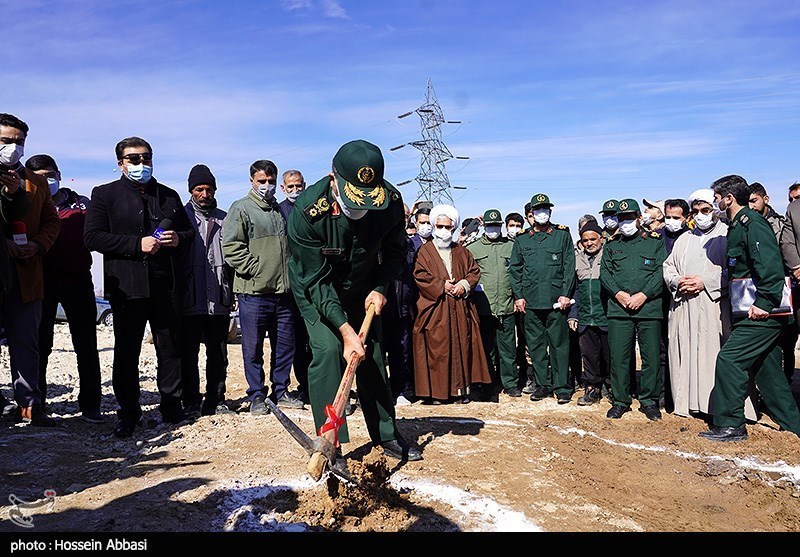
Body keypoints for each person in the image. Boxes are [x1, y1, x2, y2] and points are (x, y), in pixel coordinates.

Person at [287, 139, 421, 461]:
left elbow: (394, 253)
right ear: (334, 178)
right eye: (353, 200)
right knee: (329, 351)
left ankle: (386, 434)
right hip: (315, 287)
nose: (360, 209)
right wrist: (346, 331)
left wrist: (381, 286)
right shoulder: (307, 213)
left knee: (371, 355)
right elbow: (315, 280)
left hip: (362, 286)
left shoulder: (388, 202)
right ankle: (330, 442)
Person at [84, 136, 193, 437]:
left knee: (170, 349)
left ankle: (172, 406)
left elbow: (188, 234)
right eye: (134, 159)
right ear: (120, 163)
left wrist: (178, 239)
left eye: (146, 157)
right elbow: (92, 237)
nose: (141, 163)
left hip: (165, 287)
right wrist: (135, 244)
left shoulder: (169, 196)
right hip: (127, 289)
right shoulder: (104, 195)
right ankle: (128, 413)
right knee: (127, 352)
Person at [699, 175, 800, 442]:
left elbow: (770, 267)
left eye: (717, 198)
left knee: (729, 360)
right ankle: (794, 425)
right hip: (748, 309)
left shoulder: (752, 224)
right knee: (767, 371)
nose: (716, 203)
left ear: (729, 198)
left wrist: (764, 304)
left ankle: (731, 425)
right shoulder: (737, 225)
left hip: (761, 312)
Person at [663, 189, 758, 420]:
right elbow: (668, 267)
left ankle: (718, 406)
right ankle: (688, 404)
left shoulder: (727, 234)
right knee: (684, 351)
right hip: (684, 305)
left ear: (715, 210)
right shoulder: (685, 238)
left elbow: (737, 271)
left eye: (705, 210)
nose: (700, 215)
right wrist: (678, 281)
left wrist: (704, 282)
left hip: (714, 306)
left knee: (714, 353)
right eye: (695, 211)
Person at [26, 154, 102, 424]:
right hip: (40, 282)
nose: (46, 181)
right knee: (40, 345)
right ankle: (38, 404)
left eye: (50, 175)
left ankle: (92, 405)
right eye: (39, 177)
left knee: (86, 345)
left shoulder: (83, 204)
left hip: (78, 280)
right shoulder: (28, 204)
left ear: (59, 174)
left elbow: (96, 234)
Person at [222, 160, 303, 415]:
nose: (267, 186)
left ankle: (281, 390)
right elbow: (231, 247)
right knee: (253, 347)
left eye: (270, 181)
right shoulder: (242, 209)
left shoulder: (279, 211)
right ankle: (257, 395)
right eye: (262, 181)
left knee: (284, 346)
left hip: (283, 293)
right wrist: (256, 269)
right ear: (252, 181)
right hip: (254, 293)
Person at [0, 113, 60, 426]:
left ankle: (30, 406)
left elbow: (52, 221)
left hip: (27, 274)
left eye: (18, 142)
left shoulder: (35, 182)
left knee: (26, 343)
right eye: (5, 141)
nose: (13, 147)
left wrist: (37, 245)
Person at [413, 204, 492, 404]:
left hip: (459, 308)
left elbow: (473, 272)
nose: (443, 231)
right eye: (439, 226)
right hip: (436, 309)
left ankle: (460, 391)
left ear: (454, 229)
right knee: (438, 350)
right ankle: (438, 394)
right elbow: (420, 276)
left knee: (461, 347)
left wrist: (464, 285)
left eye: (447, 227)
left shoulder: (462, 252)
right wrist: (441, 285)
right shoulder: (425, 251)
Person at [600, 198, 666, 421]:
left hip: (648, 307)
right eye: (621, 218)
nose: (625, 222)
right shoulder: (612, 244)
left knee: (651, 357)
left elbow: (660, 272)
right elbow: (606, 274)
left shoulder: (655, 242)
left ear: (639, 218)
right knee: (619, 357)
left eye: (629, 217)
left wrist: (644, 295)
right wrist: (619, 294)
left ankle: (649, 400)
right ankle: (620, 400)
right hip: (619, 309)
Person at [509, 193, 576, 404]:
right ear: (531, 214)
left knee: (559, 345)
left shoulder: (562, 235)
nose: (541, 214)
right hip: (531, 302)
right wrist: (518, 296)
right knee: (536, 347)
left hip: (556, 301)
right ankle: (543, 384)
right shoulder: (522, 239)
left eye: (545, 210)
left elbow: (569, 267)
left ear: (550, 212)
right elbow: (516, 269)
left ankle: (562, 387)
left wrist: (566, 293)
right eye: (537, 210)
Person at [180, 164, 235, 417]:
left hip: (219, 298)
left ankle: (216, 399)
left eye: (209, 189)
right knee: (188, 354)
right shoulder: (180, 217)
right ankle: (190, 401)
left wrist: (232, 293)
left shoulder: (226, 219)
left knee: (218, 354)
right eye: (199, 189)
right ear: (191, 190)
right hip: (189, 299)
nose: (205, 194)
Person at [468, 209, 518, 397]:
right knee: (486, 349)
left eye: (496, 225)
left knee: (508, 349)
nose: (493, 229)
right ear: (484, 227)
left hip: (506, 305)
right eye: (490, 226)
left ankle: (510, 382)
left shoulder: (511, 247)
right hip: (484, 307)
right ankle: (487, 382)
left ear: (501, 226)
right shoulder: (473, 248)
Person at [277, 169, 311, 404]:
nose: (295, 190)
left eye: (298, 186)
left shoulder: (312, 210)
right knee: (296, 342)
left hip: (312, 284)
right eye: (290, 187)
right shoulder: (279, 212)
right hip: (290, 287)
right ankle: (302, 386)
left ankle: (316, 386)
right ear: (283, 188)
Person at [568, 221, 610, 406]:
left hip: (606, 315)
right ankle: (592, 388)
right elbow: (574, 289)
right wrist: (573, 313)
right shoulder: (577, 259)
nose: (589, 243)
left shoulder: (609, 255)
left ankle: (612, 387)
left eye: (593, 239)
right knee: (589, 355)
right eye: (585, 240)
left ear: (601, 238)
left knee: (610, 355)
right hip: (586, 316)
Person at [384, 201, 417, 406]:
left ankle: (399, 390)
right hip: (381, 306)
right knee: (376, 354)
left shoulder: (410, 244)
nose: (403, 220)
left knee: (400, 351)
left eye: (406, 217)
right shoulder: (378, 240)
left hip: (402, 306)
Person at [504, 212, 530, 391]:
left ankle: (525, 375)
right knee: (507, 342)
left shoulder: (525, 242)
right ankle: (508, 376)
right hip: (506, 301)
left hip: (524, 300)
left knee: (525, 340)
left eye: (518, 225)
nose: (515, 229)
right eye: (512, 225)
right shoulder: (503, 245)